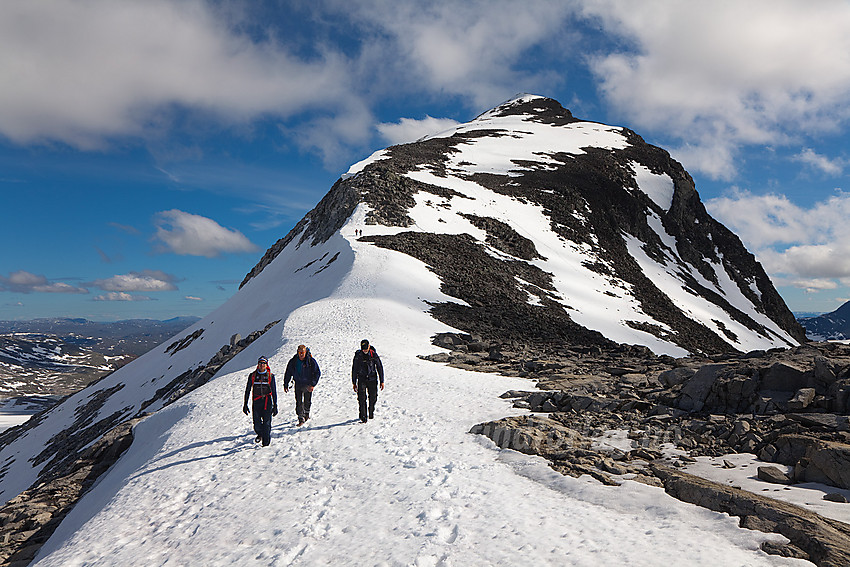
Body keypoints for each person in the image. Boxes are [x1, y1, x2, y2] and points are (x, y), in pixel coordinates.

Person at [242, 356, 278, 446]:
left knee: (267, 424)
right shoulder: (253, 376)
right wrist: (245, 404)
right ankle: (260, 434)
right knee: (257, 424)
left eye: (264, 363)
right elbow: (248, 390)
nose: (262, 365)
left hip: (267, 402)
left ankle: (266, 444)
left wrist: (275, 405)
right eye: (260, 363)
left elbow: (274, 391)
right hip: (257, 402)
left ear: (266, 365)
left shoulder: (270, 376)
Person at [283, 344, 321, 426]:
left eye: (302, 352)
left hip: (308, 384)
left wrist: (313, 384)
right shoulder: (293, 361)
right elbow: (288, 372)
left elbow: (317, 373)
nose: (301, 354)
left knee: (307, 401)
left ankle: (306, 414)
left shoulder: (311, 361)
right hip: (298, 384)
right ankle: (300, 418)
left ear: (305, 352)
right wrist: (286, 383)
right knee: (298, 401)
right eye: (300, 352)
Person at [352, 339, 384, 423]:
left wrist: (382, 381)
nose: (365, 350)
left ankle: (371, 411)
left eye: (366, 348)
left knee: (373, 397)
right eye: (363, 349)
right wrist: (354, 382)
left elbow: (379, 367)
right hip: (362, 378)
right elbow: (354, 369)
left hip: (372, 379)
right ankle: (363, 416)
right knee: (361, 398)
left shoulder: (374, 354)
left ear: (369, 346)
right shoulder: (358, 356)